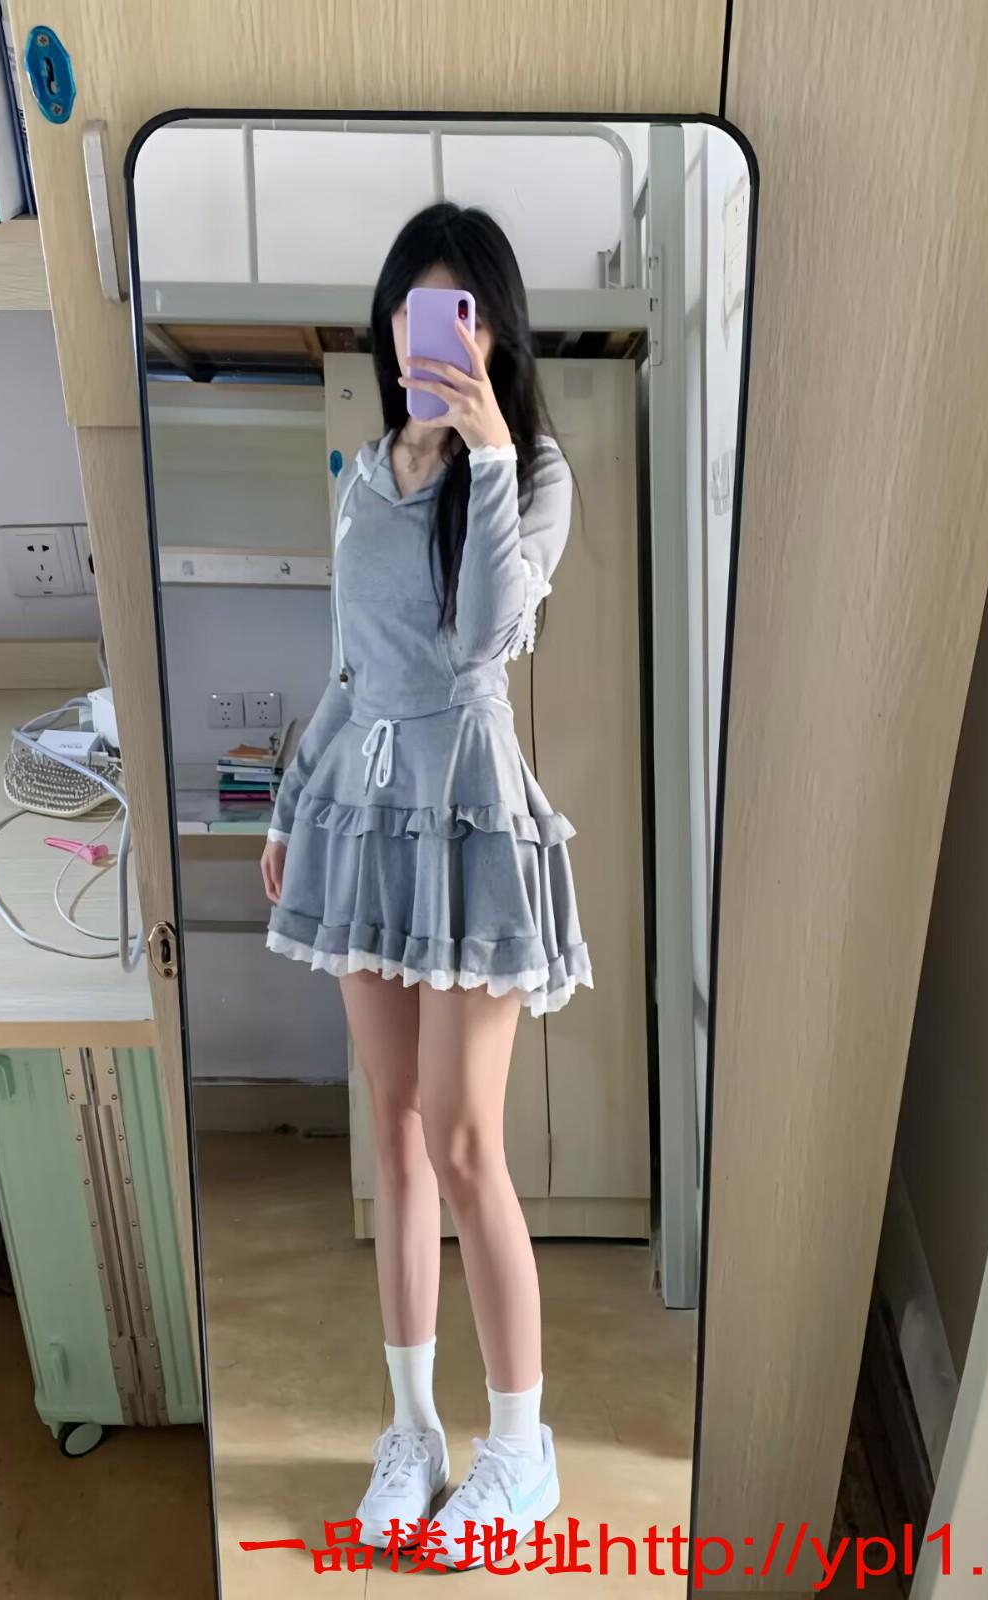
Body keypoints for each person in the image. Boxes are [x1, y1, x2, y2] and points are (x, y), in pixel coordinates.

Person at [259, 202, 591, 1566]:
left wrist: (490, 453)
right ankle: (412, 1433)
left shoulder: (536, 472)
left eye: (457, 312)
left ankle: (522, 1449)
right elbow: (350, 669)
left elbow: (484, 640)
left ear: (494, 331)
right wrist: (293, 803)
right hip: (362, 814)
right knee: (391, 1135)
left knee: (463, 1142)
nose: (428, 337)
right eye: (411, 310)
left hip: (467, 820)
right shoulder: (365, 474)